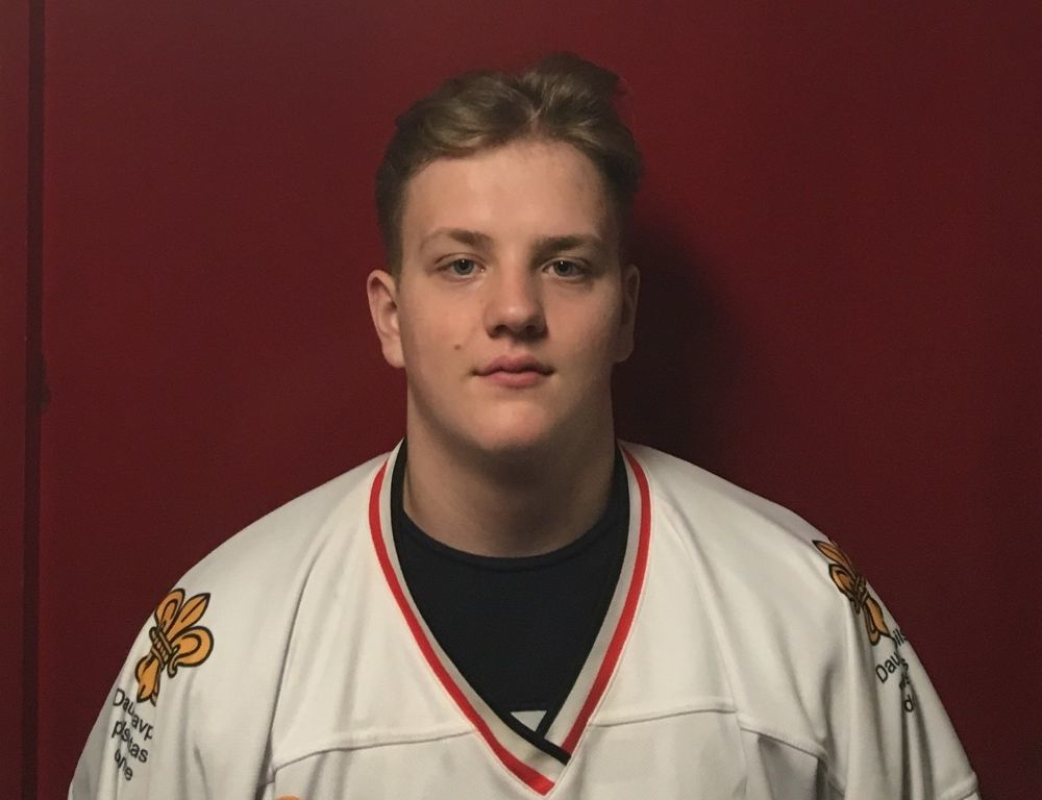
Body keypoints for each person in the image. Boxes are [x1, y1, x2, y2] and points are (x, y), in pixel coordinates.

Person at [71, 53, 980, 799]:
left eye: (565, 265)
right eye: (461, 264)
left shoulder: (801, 609)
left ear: (624, 313)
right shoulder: (223, 640)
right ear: (391, 316)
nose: (514, 310)